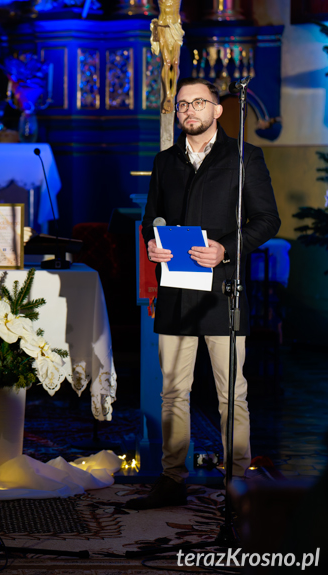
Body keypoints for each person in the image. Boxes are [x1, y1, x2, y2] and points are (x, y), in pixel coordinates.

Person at [127, 78, 281, 510]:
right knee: (173, 390)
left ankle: (237, 481)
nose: (188, 110)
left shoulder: (244, 157)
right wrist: (153, 244)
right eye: (181, 105)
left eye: (198, 103)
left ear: (217, 110)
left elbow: (267, 220)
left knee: (231, 392)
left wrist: (225, 250)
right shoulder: (165, 161)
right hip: (177, 291)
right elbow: (149, 218)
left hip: (222, 291)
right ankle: (172, 479)